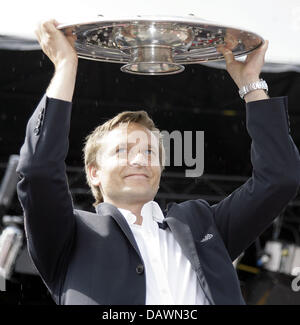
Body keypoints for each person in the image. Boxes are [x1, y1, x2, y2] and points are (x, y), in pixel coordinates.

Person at [16, 19, 300, 305]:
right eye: (123, 151)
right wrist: (66, 65)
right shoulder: (70, 234)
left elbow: (279, 178)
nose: (140, 159)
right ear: (94, 173)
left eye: (150, 153)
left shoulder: (203, 225)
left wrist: (250, 82)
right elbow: (38, 171)